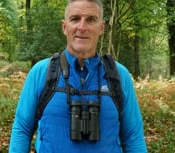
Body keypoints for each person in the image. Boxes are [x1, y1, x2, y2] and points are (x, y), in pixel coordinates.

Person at [9, 0, 147, 152]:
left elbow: (133, 137)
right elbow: (22, 130)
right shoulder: (42, 72)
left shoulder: (119, 75)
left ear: (101, 28)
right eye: (75, 19)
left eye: (91, 20)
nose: (82, 27)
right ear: (64, 26)